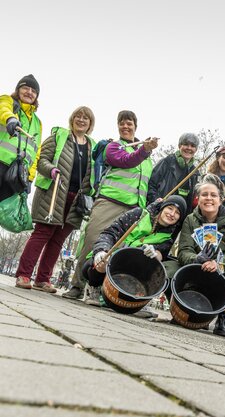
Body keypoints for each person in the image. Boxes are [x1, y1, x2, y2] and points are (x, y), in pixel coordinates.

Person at [63, 110, 158, 300]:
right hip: (109, 202)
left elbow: (148, 184)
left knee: (119, 250)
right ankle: (77, 285)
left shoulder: (147, 159)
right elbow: (125, 161)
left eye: (129, 123)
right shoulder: (113, 147)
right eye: (121, 123)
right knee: (92, 241)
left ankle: (102, 291)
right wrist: (145, 150)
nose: (125, 126)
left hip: (133, 210)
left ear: (135, 126)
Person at [14, 106, 96, 291]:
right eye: (78, 116)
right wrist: (51, 170)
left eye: (86, 118)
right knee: (42, 233)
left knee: (58, 240)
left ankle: (43, 279)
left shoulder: (92, 146)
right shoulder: (59, 136)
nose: (81, 120)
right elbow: (41, 159)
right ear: (72, 118)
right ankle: (23, 275)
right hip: (53, 193)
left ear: (90, 123)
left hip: (77, 200)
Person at [164, 174, 225, 337]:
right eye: (204, 194)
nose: (209, 198)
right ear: (198, 198)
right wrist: (196, 259)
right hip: (196, 270)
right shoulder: (190, 220)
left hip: (220, 274)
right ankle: (182, 310)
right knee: (168, 268)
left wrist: (220, 262)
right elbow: (184, 250)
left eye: (213, 195)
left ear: (220, 199)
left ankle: (222, 319)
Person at [82, 195, 187, 306]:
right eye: (170, 208)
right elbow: (110, 233)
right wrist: (102, 250)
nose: (172, 214)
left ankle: (140, 300)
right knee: (102, 262)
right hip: (109, 261)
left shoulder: (168, 238)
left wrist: (153, 255)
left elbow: (160, 254)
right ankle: (93, 289)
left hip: (129, 273)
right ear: (162, 207)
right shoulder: (139, 214)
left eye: (177, 213)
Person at [0, 75, 42, 202]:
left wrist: (29, 178)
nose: (29, 92)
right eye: (26, 88)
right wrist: (10, 118)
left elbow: (36, 152)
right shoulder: (8, 101)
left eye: (34, 91)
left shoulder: (37, 123)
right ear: (18, 90)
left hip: (17, 174)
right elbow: (3, 108)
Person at [147, 133, 200, 214]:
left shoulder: (195, 172)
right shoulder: (167, 162)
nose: (189, 148)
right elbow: (151, 185)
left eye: (193, 146)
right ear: (179, 146)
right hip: (161, 212)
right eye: (186, 144)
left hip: (179, 217)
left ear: (196, 149)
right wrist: (157, 203)